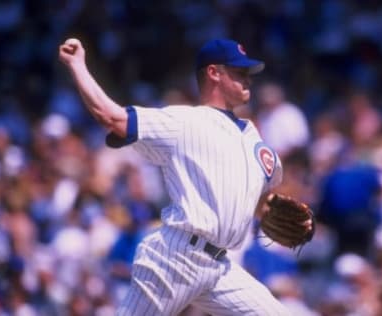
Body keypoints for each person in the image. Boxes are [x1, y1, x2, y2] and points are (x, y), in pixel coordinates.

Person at [59, 37, 312, 315]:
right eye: (240, 72)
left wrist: (266, 208)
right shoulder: (184, 122)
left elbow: (251, 199)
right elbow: (111, 117)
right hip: (175, 258)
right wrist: (78, 65)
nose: (248, 80)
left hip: (220, 266)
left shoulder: (253, 136)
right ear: (214, 73)